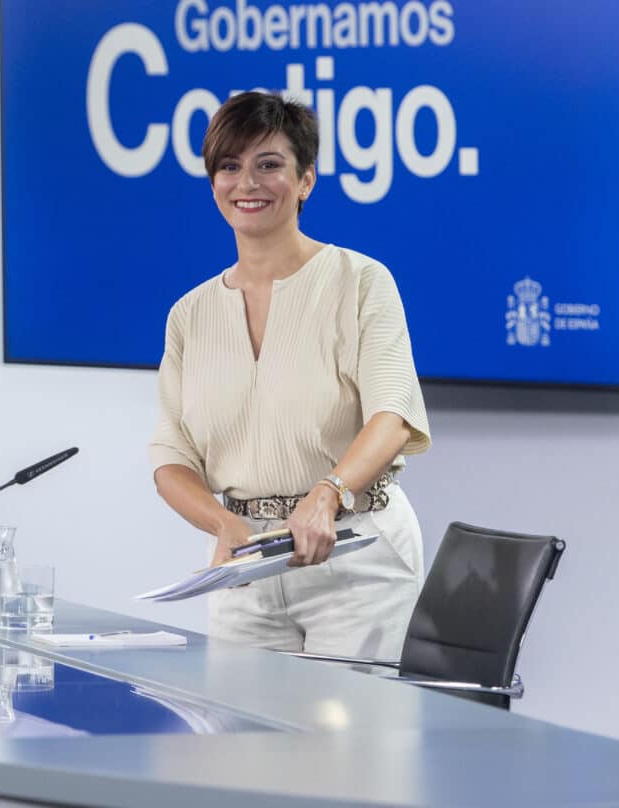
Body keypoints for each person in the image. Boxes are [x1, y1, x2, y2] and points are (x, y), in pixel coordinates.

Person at [148, 91, 431, 660]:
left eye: (268, 165)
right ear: (212, 184)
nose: (246, 183)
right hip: (247, 569)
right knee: (245, 744)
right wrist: (222, 524)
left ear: (306, 181)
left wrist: (329, 493)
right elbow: (171, 459)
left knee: (350, 747)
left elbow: (392, 415)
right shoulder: (190, 315)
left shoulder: (361, 281)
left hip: (356, 555)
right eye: (229, 167)